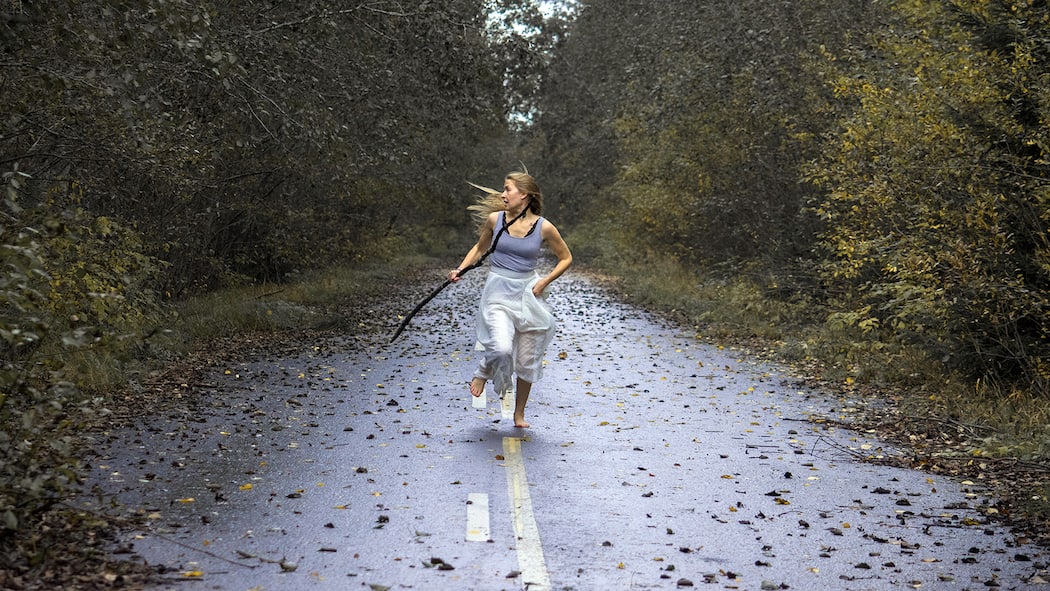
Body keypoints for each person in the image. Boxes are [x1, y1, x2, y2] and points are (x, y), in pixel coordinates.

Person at [448, 171, 572, 428]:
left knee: (526, 360)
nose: (503, 195)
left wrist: (545, 281)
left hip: (528, 293)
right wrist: (460, 268)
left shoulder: (543, 226)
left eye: (508, 189)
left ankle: (519, 414)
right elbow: (480, 248)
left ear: (524, 195)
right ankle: (484, 370)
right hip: (497, 292)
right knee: (503, 347)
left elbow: (566, 258)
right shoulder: (495, 220)